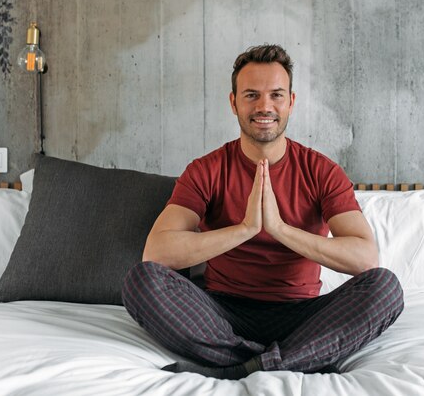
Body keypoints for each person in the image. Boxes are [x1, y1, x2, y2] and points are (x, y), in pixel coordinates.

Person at [122, 44, 404, 379]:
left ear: (291, 102)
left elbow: (364, 259)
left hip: (302, 315)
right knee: (141, 281)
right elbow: (157, 254)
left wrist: (281, 229)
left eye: (276, 95)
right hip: (222, 313)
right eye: (252, 95)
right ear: (234, 103)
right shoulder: (205, 170)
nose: (264, 106)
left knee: (385, 287)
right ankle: (290, 360)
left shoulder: (321, 171)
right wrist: (244, 228)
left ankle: (242, 365)